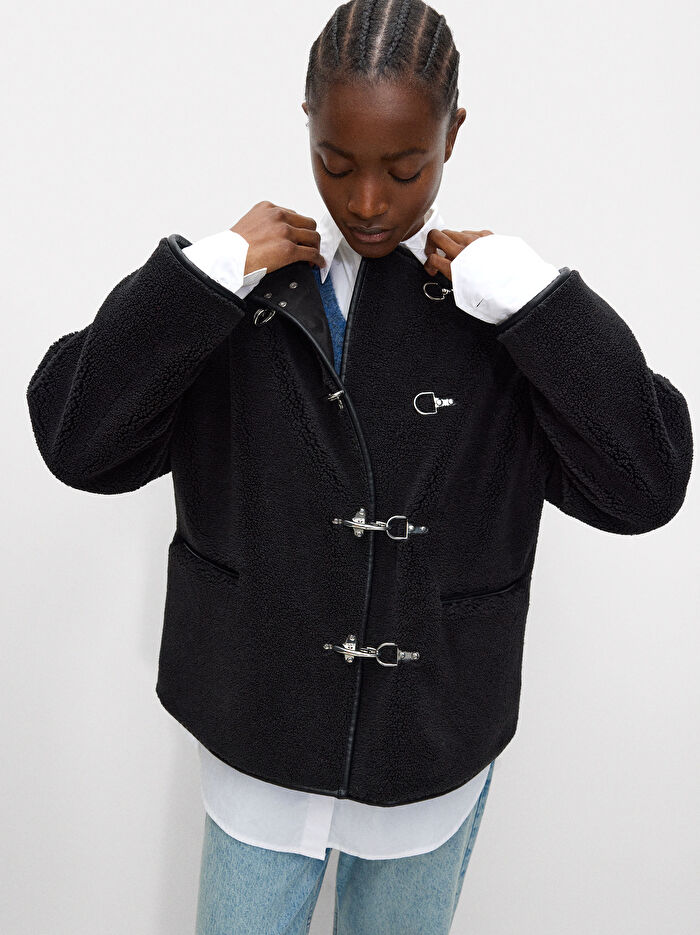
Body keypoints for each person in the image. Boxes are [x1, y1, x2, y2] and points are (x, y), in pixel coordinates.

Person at [25, 1, 693, 933]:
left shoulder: (503, 316)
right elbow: (77, 440)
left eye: (405, 168)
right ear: (306, 120)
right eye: (335, 164)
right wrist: (203, 272)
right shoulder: (239, 297)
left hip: (432, 749)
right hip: (255, 741)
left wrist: (542, 301)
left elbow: (648, 482)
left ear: (454, 133)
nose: (369, 202)